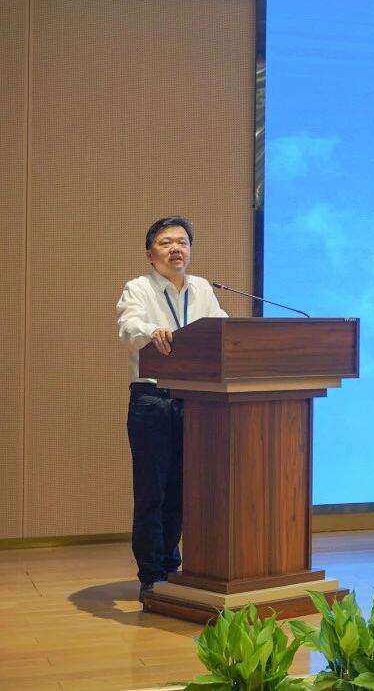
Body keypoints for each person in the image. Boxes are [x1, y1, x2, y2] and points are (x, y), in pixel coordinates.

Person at [115, 216, 228, 604]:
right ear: (151, 254)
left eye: (182, 242)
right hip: (152, 400)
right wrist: (152, 332)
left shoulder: (202, 289)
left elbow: (222, 331)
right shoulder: (139, 288)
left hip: (194, 401)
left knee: (181, 491)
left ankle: (171, 566)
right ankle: (151, 575)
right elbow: (129, 328)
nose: (176, 248)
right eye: (166, 243)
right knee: (152, 492)